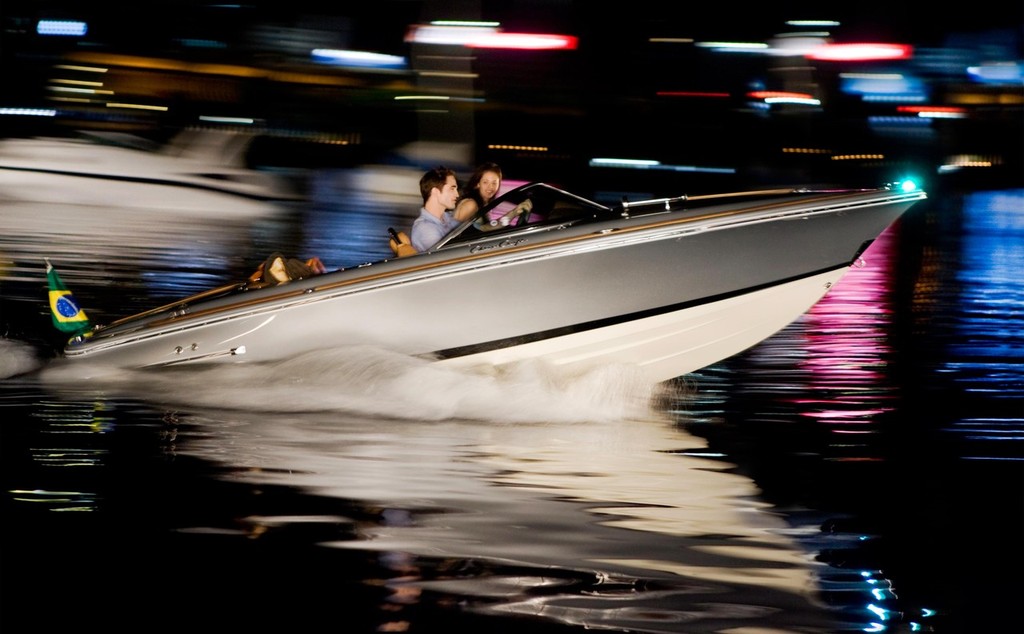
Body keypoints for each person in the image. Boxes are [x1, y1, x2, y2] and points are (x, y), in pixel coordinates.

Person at [408, 165, 460, 252]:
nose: (457, 194)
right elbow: (446, 256)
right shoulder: (425, 229)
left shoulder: (449, 218)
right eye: (452, 189)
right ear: (435, 191)